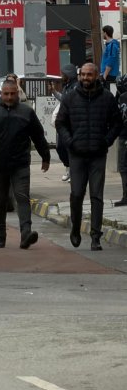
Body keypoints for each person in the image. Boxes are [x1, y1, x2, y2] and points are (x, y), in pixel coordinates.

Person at [0, 79, 51, 249]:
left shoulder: (26, 112)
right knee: (0, 201)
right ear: (1, 94)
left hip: (20, 164)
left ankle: (26, 234)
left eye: (12, 94)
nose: (9, 97)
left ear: (18, 93)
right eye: (6, 94)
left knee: (22, 197)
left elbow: (38, 136)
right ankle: (0, 235)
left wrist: (45, 157)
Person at [55, 63, 120, 251]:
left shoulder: (107, 98)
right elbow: (61, 123)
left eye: (89, 75)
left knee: (96, 196)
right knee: (76, 194)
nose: (85, 78)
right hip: (77, 155)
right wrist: (70, 142)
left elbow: (117, 123)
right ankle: (75, 228)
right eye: (82, 74)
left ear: (97, 76)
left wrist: (106, 141)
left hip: (98, 155)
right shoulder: (70, 98)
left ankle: (95, 236)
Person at [52, 64, 78, 182]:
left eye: (63, 74)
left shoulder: (76, 87)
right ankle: (68, 167)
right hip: (63, 122)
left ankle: (73, 172)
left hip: (71, 123)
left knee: (70, 148)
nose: (62, 76)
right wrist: (53, 92)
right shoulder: (66, 86)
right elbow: (63, 99)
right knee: (60, 147)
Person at [114, 75, 127, 206]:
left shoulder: (122, 98)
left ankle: (126, 196)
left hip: (124, 136)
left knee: (123, 167)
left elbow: (116, 115)